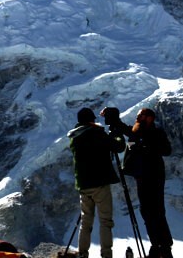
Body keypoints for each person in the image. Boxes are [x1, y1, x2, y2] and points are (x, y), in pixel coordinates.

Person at [103, 107, 174, 258]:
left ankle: (164, 246)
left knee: (157, 210)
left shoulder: (156, 133)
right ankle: (157, 245)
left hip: (153, 175)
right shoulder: (137, 132)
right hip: (142, 176)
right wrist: (112, 117)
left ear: (149, 118)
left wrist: (148, 145)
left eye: (140, 116)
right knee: (147, 211)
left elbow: (167, 150)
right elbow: (126, 130)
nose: (137, 118)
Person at [68, 107, 126, 258]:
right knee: (105, 221)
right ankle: (106, 254)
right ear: (91, 120)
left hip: (83, 185)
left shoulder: (75, 137)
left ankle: (82, 254)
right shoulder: (97, 134)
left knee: (86, 222)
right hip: (99, 183)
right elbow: (118, 146)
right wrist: (117, 134)